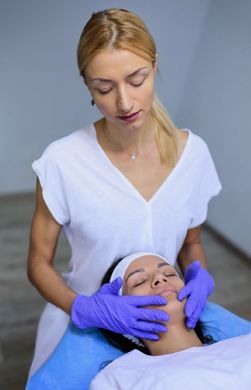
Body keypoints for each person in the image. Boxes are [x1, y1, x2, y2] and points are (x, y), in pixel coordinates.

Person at [26, 7, 249, 388]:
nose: (125, 103)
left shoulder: (193, 156)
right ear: (86, 85)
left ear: (154, 65)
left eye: (136, 79)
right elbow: (38, 263)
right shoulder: (62, 161)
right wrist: (83, 308)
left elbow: (191, 243)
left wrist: (199, 273)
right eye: (104, 88)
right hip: (83, 325)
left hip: (168, 329)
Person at [90, 252, 251, 389]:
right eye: (140, 281)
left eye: (170, 274)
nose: (160, 278)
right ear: (119, 317)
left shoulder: (245, 343)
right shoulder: (119, 377)